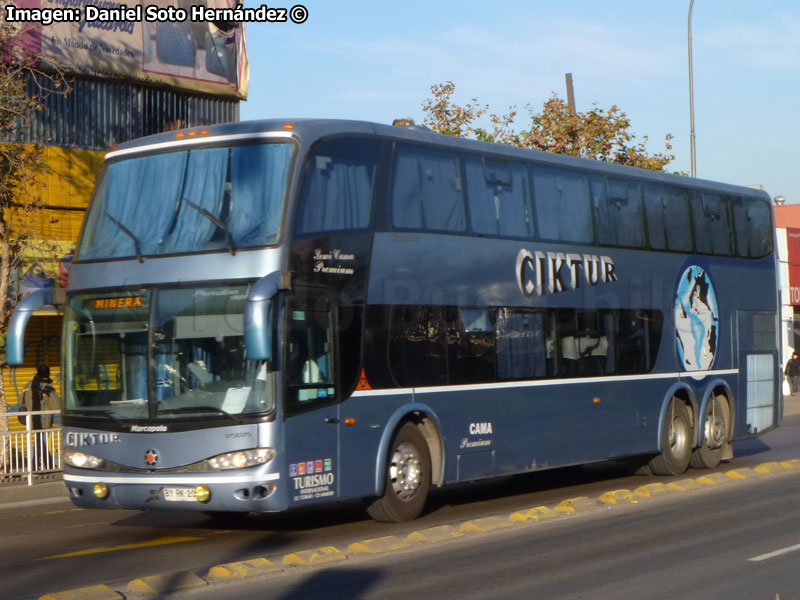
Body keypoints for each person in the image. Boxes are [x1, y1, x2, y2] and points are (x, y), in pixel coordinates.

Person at [21, 366, 61, 471]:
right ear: (47, 374)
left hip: (32, 421)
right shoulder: (48, 388)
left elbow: (22, 403)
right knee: (40, 442)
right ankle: (34, 466)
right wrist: (65, 418)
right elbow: (57, 406)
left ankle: (49, 463)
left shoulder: (27, 386)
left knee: (40, 441)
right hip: (44, 421)